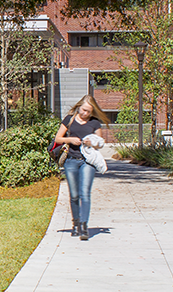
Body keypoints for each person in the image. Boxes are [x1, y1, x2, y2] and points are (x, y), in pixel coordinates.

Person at [53, 95, 106, 240]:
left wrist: (91, 143)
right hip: (71, 160)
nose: (85, 114)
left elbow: (100, 143)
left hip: (87, 162)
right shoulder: (69, 120)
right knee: (74, 194)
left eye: (88, 111)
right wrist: (70, 139)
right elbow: (58, 138)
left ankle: (83, 226)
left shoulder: (95, 123)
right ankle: (75, 224)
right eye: (83, 110)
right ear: (79, 107)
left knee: (85, 193)